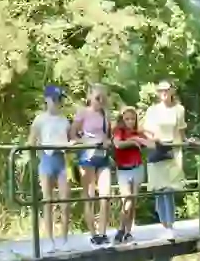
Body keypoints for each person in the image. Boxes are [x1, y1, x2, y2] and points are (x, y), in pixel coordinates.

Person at [142, 80, 191, 242]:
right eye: (160, 90)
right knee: (159, 191)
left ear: (172, 91)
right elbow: (146, 130)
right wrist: (155, 139)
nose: (163, 92)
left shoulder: (179, 109)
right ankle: (164, 225)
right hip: (157, 150)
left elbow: (182, 132)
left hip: (173, 151)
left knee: (168, 191)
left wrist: (188, 141)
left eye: (166, 89)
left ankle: (170, 226)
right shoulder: (152, 110)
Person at [28, 85, 72, 250]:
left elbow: (68, 141)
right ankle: (50, 240)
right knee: (48, 201)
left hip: (60, 160)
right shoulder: (40, 119)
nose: (57, 102)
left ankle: (65, 239)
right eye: (54, 99)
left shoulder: (64, 120)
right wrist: (39, 152)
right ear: (47, 100)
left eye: (59, 99)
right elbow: (31, 141)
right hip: (46, 159)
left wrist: (69, 145)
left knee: (65, 201)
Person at [71, 83, 113, 245]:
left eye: (103, 98)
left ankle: (103, 233)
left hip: (102, 156)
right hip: (87, 156)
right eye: (97, 97)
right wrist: (87, 141)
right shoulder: (82, 113)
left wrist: (106, 141)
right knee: (89, 195)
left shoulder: (105, 114)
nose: (100, 101)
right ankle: (93, 233)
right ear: (89, 97)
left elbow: (108, 136)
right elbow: (73, 135)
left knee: (105, 195)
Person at [112, 106, 150, 244]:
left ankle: (128, 232)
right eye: (127, 118)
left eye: (132, 119)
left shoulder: (138, 132)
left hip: (137, 168)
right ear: (122, 119)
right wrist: (134, 141)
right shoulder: (118, 131)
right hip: (123, 170)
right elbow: (117, 144)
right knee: (126, 199)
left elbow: (150, 144)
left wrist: (143, 137)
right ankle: (121, 229)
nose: (129, 121)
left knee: (132, 201)